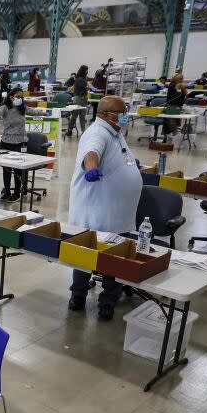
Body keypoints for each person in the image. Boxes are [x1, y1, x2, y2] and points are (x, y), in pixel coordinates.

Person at [67, 96, 141, 321]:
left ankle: (109, 299)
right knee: (91, 255)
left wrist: (131, 165)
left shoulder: (114, 132)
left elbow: (119, 156)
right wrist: (91, 169)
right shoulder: (98, 132)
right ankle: (79, 296)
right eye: (122, 111)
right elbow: (91, 154)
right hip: (99, 212)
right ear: (107, 114)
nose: (125, 114)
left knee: (114, 257)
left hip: (116, 213)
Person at [0, 87, 45, 203]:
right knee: (6, 170)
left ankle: (17, 193)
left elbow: (34, 111)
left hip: (20, 143)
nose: (20, 99)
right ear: (11, 96)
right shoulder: (5, 108)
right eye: (18, 96)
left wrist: (43, 112)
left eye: (21, 97)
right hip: (6, 143)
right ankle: (7, 192)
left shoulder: (23, 108)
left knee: (18, 170)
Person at [68, 65, 89, 136]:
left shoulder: (79, 78)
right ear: (84, 70)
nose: (87, 71)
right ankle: (80, 131)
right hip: (80, 98)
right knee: (77, 116)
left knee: (77, 116)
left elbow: (74, 86)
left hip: (80, 98)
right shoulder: (80, 79)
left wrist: (69, 90)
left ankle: (71, 130)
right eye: (86, 70)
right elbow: (86, 86)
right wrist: (90, 87)